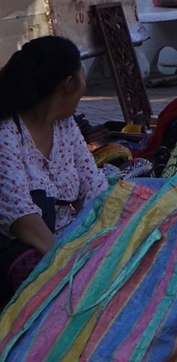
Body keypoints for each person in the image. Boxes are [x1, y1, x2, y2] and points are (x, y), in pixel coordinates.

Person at [0, 36, 108, 303]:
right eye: (81, 75)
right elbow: (22, 218)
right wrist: (67, 264)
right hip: (31, 247)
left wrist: (108, 237)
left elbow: (95, 189)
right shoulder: (7, 132)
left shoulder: (65, 126)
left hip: (65, 241)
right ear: (68, 85)